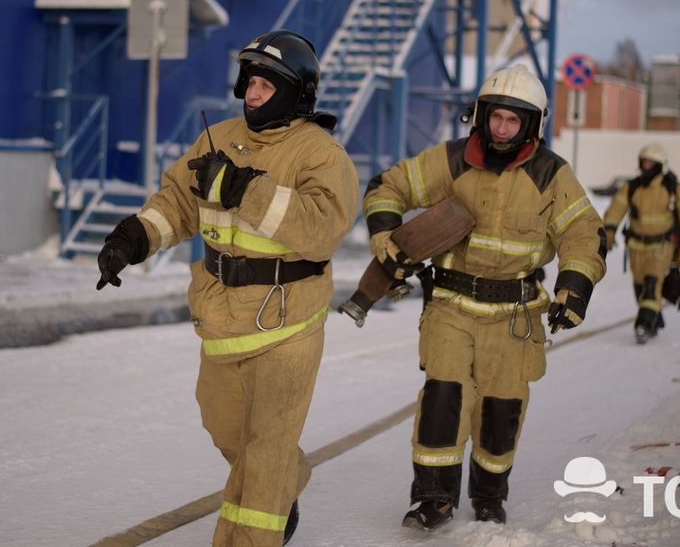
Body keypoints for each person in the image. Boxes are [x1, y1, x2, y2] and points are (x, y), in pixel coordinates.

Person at [96, 30, 359, 547]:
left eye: (267, 84)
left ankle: (259, 525)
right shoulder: (217, 137)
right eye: (250, 82)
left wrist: (244, 189)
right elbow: (177, 203)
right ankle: (284, 476)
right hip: (223, 317)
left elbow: (320, 228)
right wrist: (134, 237)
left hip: (289, 320)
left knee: (264, 450)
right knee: (228, 432)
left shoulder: (321, 154)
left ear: (296, 92)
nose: (253, 93)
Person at [361, 64, 606, 530]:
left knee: (501, 408)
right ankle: (433, 497)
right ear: (480, 115)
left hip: (515, 315)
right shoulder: (452, 160)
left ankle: (490, 494)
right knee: (443, 399)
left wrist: (574, 286)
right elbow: (387, 187)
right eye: (496, 116)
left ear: (532, 125)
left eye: (515, 120)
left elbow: (583, 232)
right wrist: (385, 235)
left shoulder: (551, 174)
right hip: (450, 306)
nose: (502, 128)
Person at [603, 144, 680, 344]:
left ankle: (642, 326)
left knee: (652, 283)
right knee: (640, 289)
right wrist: (609, 230)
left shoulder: (672, 188)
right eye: (643, 162)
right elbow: (616, 208)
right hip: (636, 247)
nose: (646, 166)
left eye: (650, 162)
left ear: (659, 165)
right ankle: (655, 320)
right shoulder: (632, 186)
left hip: (661, 246)